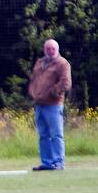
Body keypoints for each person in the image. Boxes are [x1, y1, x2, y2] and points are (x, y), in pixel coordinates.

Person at [28, 39, 72, 171]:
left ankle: (58, 163)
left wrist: (53, 92)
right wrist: (33, 91)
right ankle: (46, 162)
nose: (50, 51)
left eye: (52, 48)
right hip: (39, 104)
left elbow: (66, 82)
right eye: (48, 48)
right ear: (44, 49)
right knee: (43, 135)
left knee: (56, 135)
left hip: (53, 104)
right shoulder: (40, 62)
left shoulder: (62, 63)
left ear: (57, 50)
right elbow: (34, 79)